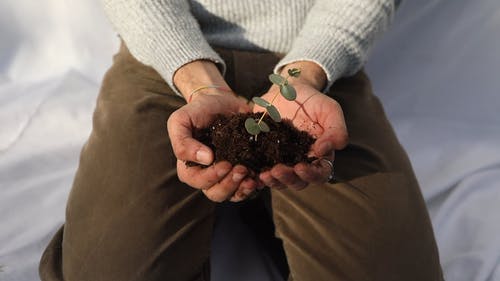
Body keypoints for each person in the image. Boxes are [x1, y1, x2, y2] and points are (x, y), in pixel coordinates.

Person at [39, 0, 444, 280]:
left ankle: (263, 209)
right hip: (168, 57)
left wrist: (308, 71)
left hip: (316, 72)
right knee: (114, 270)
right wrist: (197, 81)